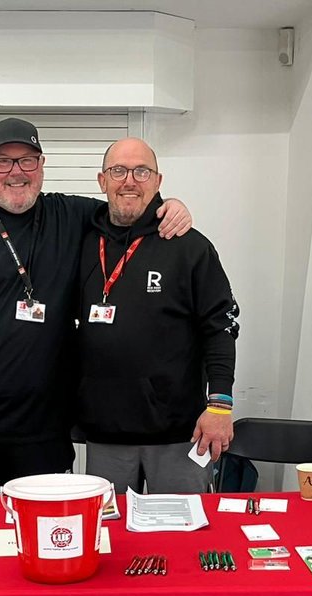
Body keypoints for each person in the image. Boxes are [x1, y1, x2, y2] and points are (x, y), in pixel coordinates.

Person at [0, 118, 191, 496]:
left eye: (27, 161)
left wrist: (169, 205)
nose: (16, 173)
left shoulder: (71, 216)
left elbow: (127, 209)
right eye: (2, 162)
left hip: (36, 428)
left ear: (41, 166)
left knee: (39, 534)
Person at [76, 138, 239, 494]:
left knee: (183, 537)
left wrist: (220, 406)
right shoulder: (81, 241)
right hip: (105, 435)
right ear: (102, 181)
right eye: (118, 171)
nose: (129, 180)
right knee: (107, 538)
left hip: (180, 434)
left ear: (158, 180)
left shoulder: (189, 246)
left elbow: (221, 328)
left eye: (141, 171)